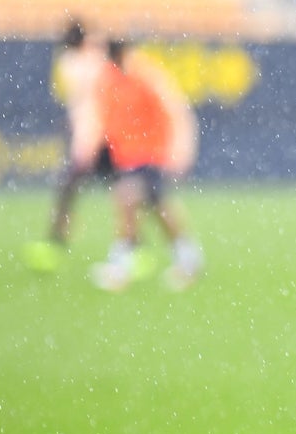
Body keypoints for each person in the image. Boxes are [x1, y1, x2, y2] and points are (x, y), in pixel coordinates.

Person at [71, 37, 204, 292]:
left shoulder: (145, 77)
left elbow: (174, 111)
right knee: (158, 206)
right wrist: (90, 146)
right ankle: (187, 257)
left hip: (151, 152)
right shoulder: (107, 82)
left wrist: (180, 148)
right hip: (127, 155)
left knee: (127, 198)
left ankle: (121, 265)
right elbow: (101, 117)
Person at [22, 18, 114, 273]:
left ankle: (58, 237)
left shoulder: (71, 61)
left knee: (73, 188)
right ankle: (59, 237)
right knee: (122, 189)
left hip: (99, 136)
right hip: (97, 135)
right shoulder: (81, 62)